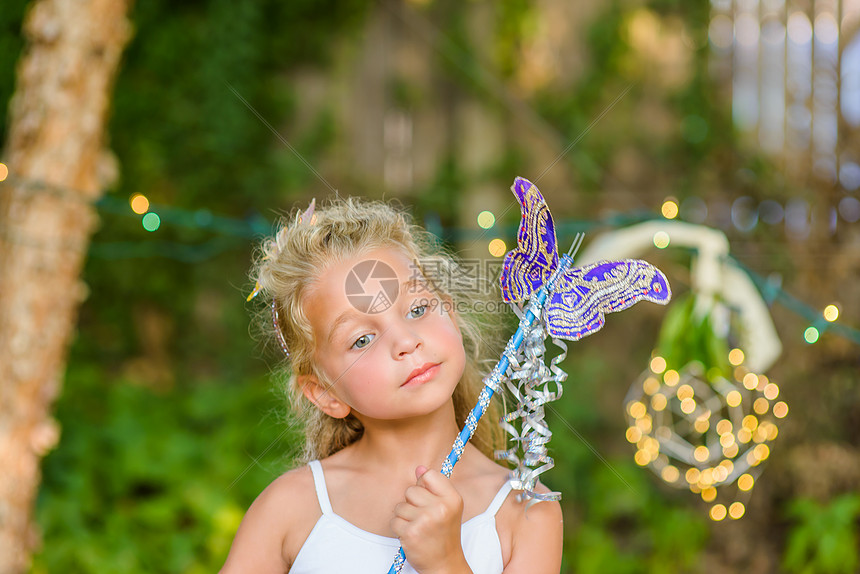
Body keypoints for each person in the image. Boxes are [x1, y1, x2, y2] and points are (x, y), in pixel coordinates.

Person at [220, 198, 563, 574]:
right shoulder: (290, 508)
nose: (405, 341)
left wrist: (446, 562)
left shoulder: (528, 512)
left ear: (450, 312)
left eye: (417, 310)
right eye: (362, 339)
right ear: (324, 393)